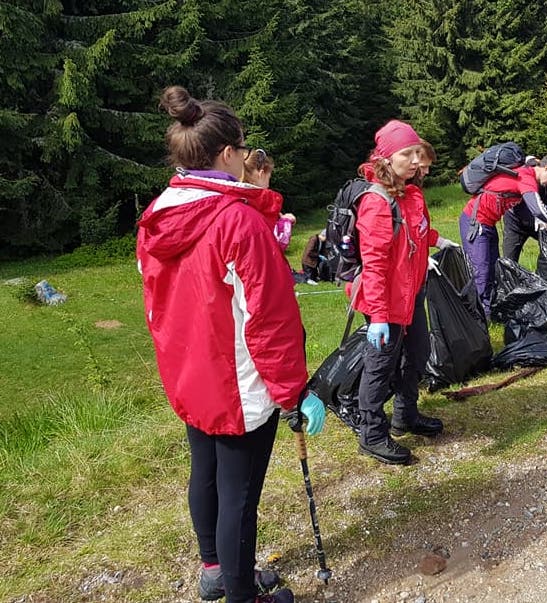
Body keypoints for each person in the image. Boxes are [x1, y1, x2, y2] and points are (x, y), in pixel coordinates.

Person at [138, 86, 323, 603]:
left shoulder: (160, 212)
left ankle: (216, 571)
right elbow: (270, 317)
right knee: (240, 495)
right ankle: (244, 595)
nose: (247, 157)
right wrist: (293, 393)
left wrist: (259, 198)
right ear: (227, 154)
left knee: (207, 472)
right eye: (242, 149)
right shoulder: (236, 220)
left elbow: (193, 280)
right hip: (239, 381)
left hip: (189, 370)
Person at [351, 119, 455, 465]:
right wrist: (379, 317)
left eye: (416, 153)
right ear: (386, 159)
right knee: (380, 367)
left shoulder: (412, 193)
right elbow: (375, 263)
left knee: (419, 354)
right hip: (386, 303)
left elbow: (419, 231)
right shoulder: (376, 202)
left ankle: (405, 415)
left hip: (413, 294)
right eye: (407, 154)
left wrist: (438, 240)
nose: (415, 160)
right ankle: (372, 433)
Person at [459, 151, 547, 315]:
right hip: (474, 223)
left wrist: (543, 223)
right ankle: (480, 316)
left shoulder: (525, 173)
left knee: (493, 268)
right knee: (481, 270)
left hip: (488, 224)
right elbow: (537, 207)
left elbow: (525, 210)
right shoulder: (526, 177)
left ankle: (489, 308)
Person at [240, 148, 296, 252]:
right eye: (269, 177)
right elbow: (278, 242)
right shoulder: (263, 203)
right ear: (261, 174)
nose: (269, 184)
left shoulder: (237, 197)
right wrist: (286, 222)